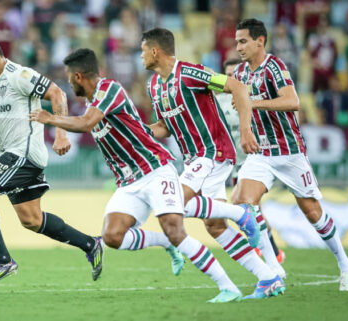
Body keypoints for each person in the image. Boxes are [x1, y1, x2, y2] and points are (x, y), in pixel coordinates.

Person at [31, 48, 245, 303]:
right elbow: (87, 120)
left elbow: (87, 123)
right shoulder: (92, 102)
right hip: (129, 181)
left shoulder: (109, 89)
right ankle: (165, 243)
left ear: (78, 76)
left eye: (68, 77)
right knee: (112, 236)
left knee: (176, 230)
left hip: (155, 170)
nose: (68, 83)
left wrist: (50, 119)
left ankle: (228, 286)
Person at [0, 35, 104, 287]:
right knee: (32, 220)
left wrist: (60, 134)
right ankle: (91, 244)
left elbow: (58, 94)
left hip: (24, 154)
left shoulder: (20, 75)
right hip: (15, 154)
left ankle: (3, 261)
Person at [140, 28, 284, 300]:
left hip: (213, 152)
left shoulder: (190, 73)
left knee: (173, 203)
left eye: (143, 50)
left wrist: (245, 130)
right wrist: (139, 132)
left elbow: (238, 87)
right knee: (215, 225)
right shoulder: (154, 85)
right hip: (195, 159)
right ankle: (268, 278)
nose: (141, 56)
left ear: (156, 51)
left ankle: (241, 215)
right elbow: (164, 127)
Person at [233, 18, 348, 291]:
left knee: (313, 212)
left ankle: (344, 263)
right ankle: (273, 266)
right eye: (236, 41)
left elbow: (293, 101)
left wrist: (254, 103)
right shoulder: (240, 74)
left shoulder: (274, 66)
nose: (238, 46)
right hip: (262, 151)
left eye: (243, 41)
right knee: (244, 202)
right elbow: (242, 108)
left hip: (289, 152)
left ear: (259, 41)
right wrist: (246, 132)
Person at [219, 58, 285, 265]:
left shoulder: (252, 98)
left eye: (234, 75)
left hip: (254, 160)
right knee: (248, 208)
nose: (231, 79)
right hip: (232, 164)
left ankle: (266, 252)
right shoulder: (218, 100)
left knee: (250, 206)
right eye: (227, 75)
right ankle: (271, 252)